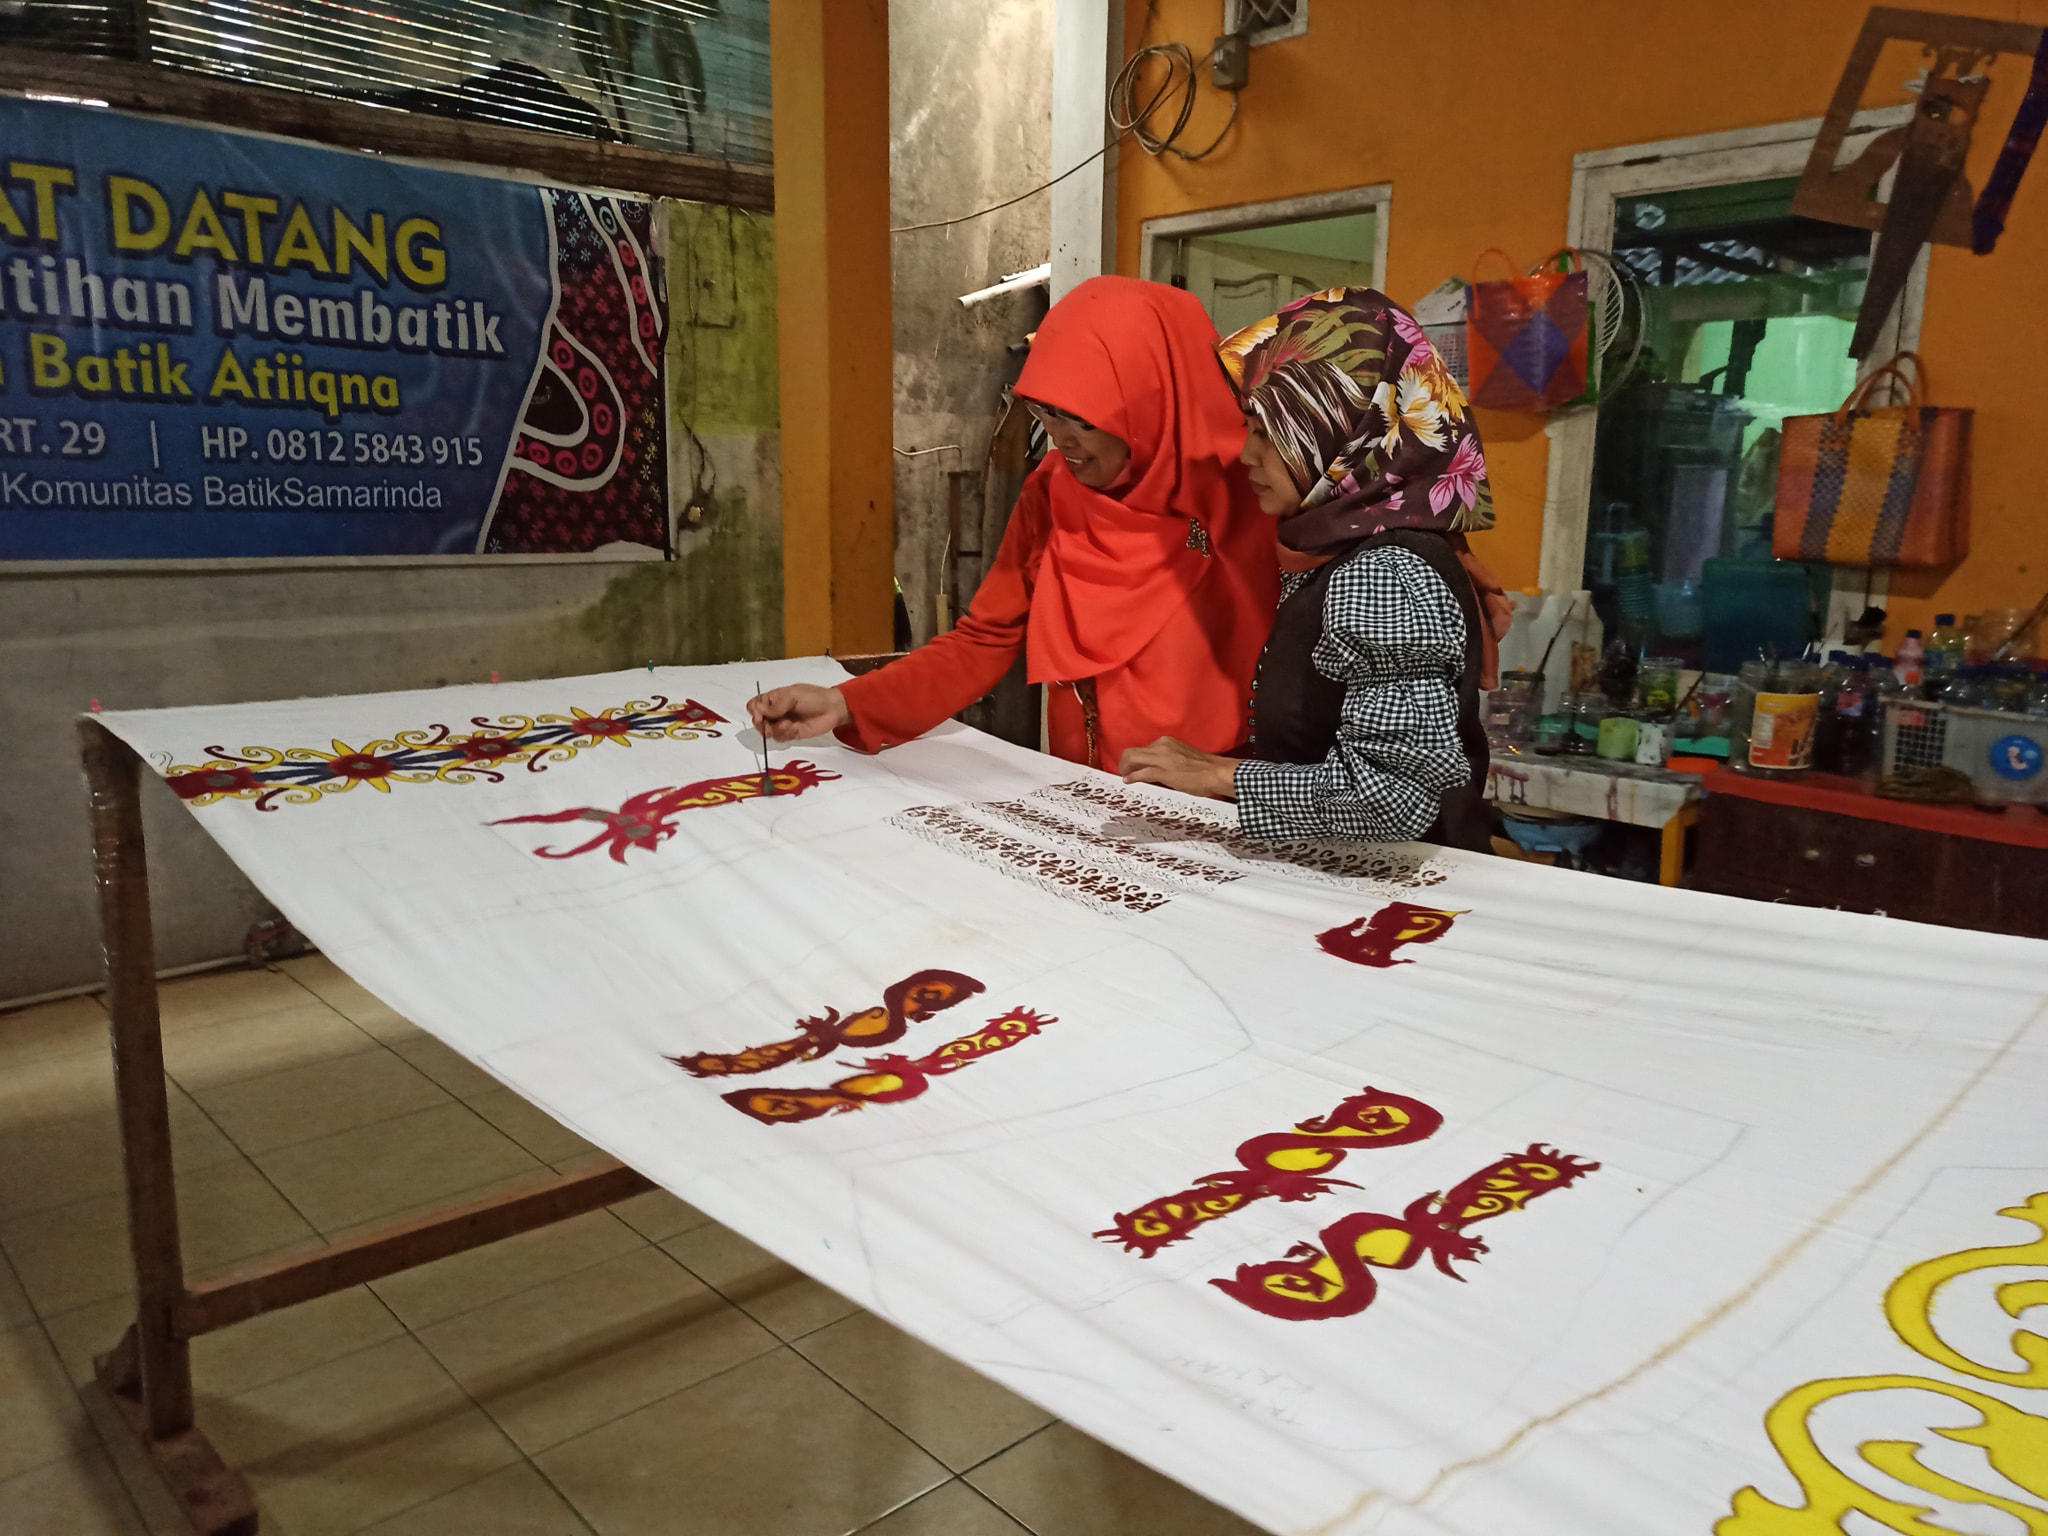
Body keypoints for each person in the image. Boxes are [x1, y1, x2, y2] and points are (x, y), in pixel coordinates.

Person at [748, 276, 1277, 769]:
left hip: (1221, 799)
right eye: (1046, 411)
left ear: (1152, 400)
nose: (1060, 439)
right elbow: (984, 639)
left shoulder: (1252, 494)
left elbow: (1306, 679)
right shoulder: (1053, 494)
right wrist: (845, 702)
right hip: (1088, 790)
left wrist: (1235, 780)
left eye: (1083, 419)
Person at [1118, 287, 1505, 852]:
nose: (1245, 455)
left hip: (1386, 891)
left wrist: (1221, 775)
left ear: (1338, 430)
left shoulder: (1382, 572)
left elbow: (1392, 798)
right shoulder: (1337, 547)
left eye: (1267, 432)